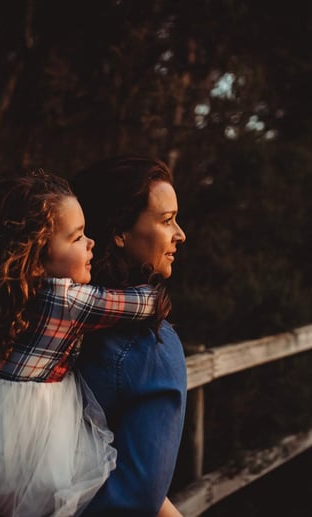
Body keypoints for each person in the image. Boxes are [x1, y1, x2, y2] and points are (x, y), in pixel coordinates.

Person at [0, 171, 171, 516]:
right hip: (19, 449)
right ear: (39, 255)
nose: (91, 243)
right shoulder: (69, 301)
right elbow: (148, 303)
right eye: (77, 237)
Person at [72, 156, 188, 517]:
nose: (180, 234)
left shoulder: (48, 315)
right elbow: (137, 498)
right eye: (167, 220)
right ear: (120, 231)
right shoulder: (151, 346)